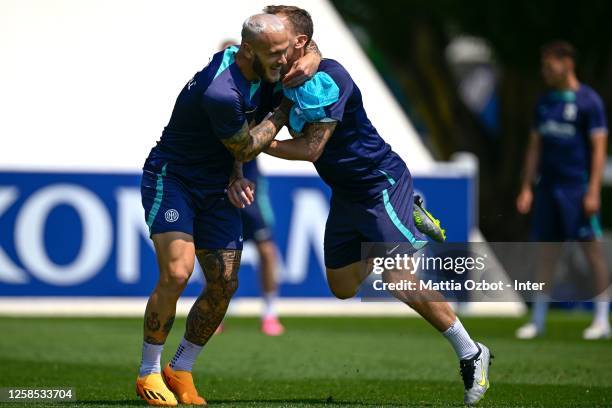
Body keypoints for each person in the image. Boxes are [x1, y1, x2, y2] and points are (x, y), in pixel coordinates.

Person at [249, 5, 492, 406]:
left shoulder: (328, 78)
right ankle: (397, 227)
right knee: (342, 287)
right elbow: (294, 60)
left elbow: (312, 148)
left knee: (398, 280)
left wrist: (257, 143)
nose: (267, 38)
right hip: (346, 193)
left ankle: (471, 352)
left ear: (298, 42)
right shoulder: (283, 71)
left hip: (379, 184)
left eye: (277, 33)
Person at [136, 14, 319, 406]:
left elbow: (307, 57)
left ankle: (180, 369)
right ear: (248, 50)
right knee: (178, 271)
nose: (282, 61)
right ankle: (149, 371)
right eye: (274, 54)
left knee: (224, 283)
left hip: (219, 184)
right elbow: (245, 145)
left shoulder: (265, 65)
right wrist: (285, 109)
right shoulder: (221, 89)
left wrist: (236, 175)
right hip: (175, 180)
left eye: (286, 52)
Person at [516, 41, 610, 340]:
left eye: (549, 65)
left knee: (591, 251)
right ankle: (539, 320)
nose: (545, 71)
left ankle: (601, 319)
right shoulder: (544, 103)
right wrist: (527, 187)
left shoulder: (588, 102)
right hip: (548, 190)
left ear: (567, 63)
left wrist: (593, 190)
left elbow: (598, 149)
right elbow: (535, 147)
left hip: (577, 189)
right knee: (546, 254)